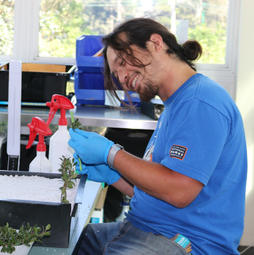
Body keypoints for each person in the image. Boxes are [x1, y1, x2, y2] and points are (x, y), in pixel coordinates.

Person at [69, 18, 247, 255]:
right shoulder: (176, 104)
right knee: (60, 241)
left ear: (155, 43)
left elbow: (179, 191)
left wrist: (112, 154)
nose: (122, 77)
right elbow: (158, 191)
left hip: (186, 243)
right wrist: (114, 177)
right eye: (116, 73)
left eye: (123, 61)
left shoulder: (200, 102)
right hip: (142, 230)